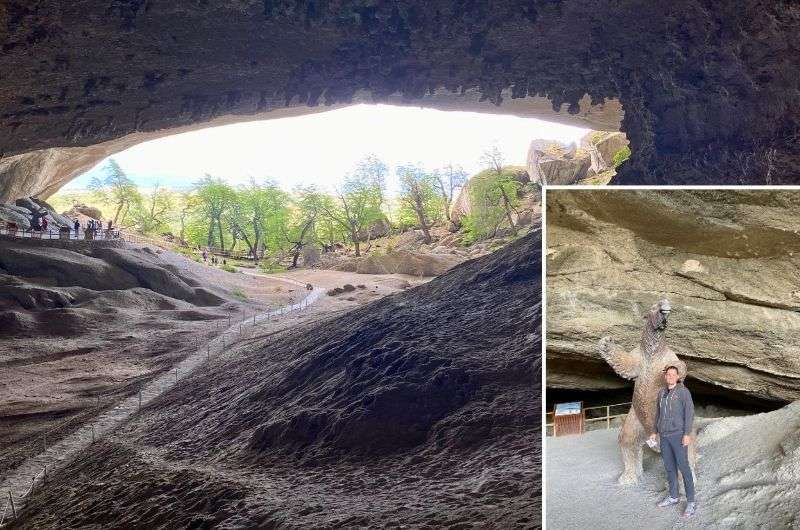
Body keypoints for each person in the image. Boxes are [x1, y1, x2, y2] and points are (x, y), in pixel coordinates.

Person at [650, 366, 696, 517]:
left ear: (677, 377)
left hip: (678, 435)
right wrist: (654, 431)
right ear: (665, 377)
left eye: (672, 374)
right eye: (667, 374)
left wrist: (687, 434)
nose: (669, 376)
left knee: (684, 468)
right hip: (664, 436)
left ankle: (691, 501)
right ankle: (673, 497)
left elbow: (689, 413)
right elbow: (658, 414)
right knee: (669, 468)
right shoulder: (661, 393)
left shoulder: (683, 392)